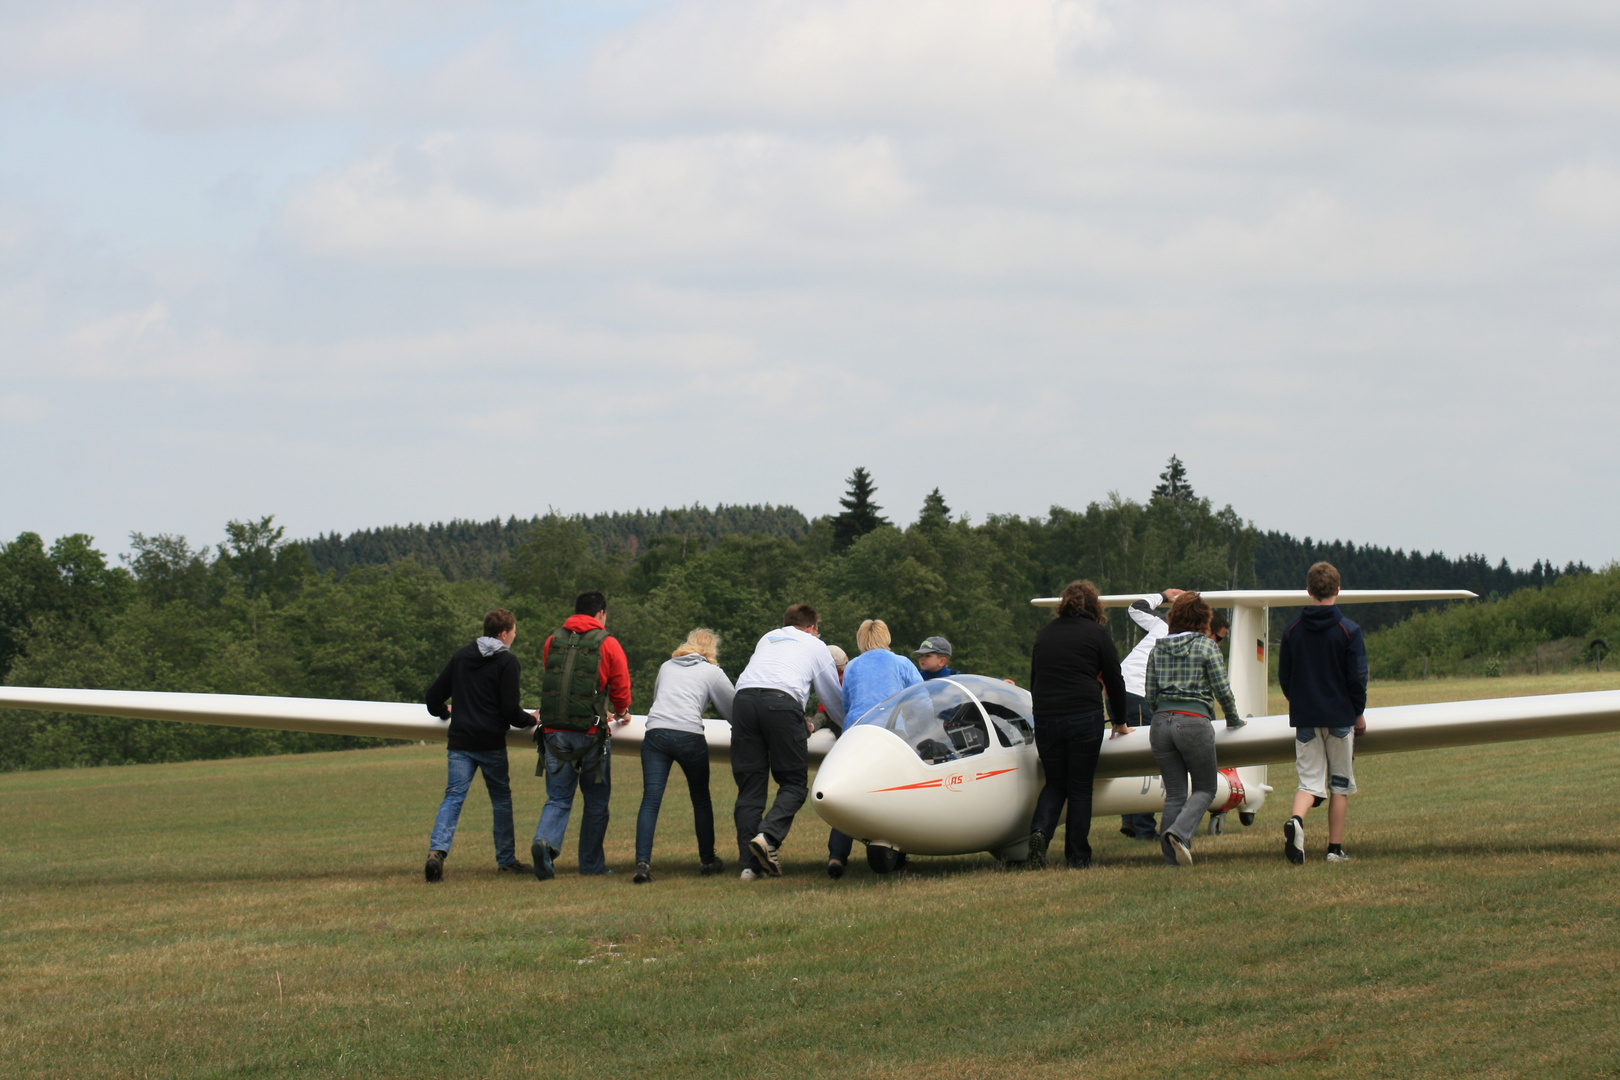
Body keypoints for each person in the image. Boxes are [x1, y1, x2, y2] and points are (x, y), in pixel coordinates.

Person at [731, 603, 846, 880]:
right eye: (818, 630)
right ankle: (768, 837)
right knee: (794, 783)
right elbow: (831, 698)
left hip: (743, 701)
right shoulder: (816, 645)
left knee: (750, 787)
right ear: (811, 627)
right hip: (781, 703)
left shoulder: (768, 637)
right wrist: (849, 725)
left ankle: (749, 866)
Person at [422, 608, 538, 882]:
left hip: (460, 740)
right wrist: (531, 720)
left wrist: (444, 712)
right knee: (500, 800)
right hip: (491, 743)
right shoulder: (507, 662)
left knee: (453, 797)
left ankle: (436, 852)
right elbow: (510, 711)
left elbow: (432, 697)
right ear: (503, 633)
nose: (514, 636)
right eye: (513, 631)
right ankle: (506, 860)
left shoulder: (462, 656)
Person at [1027, 580, 1129, 870]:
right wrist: (1120, 721)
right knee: (1081, 787)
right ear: (1095, 606)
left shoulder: (1044, 633)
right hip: (1084, 715)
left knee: (1055, 782)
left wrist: (1040, 715)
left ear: (1063, 604)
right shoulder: (1097, 633)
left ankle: (1040, 833)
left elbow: (1035, 679)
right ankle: (1078, 857)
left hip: (1046, 716)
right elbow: (1114, 679)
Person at [531, 591, 632, 881]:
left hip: (552, 731)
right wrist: (622, 711)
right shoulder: (608, 643)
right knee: (596, 800)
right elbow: (620, 686)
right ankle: (591, 864)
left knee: (559, 797)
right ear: (601, 613)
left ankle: (545, 843)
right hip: (590, 733)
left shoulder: (553, 640)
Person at [1144, 592, 1244, 868]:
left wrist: (1163, 714)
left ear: (1173, 618)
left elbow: (1150, 693)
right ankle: (1180, 833)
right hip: (1194, 721)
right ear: (1204, 621)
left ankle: (1170, 860)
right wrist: (1234, 719)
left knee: (1175, 793)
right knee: (1206, 788)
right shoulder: (1206, 647)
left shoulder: (1158, 648)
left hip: (1161, 723)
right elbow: (1222, 690)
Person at [1278, 562, 1368, 865]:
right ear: (1337, 590)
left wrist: (1300, 701)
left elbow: (1285, 677)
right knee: (1339, 785)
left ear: (1309, 591)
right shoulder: (1349, 630)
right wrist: (1358, 713)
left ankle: (1297, 820)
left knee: (1308, 782)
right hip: (1341, 717)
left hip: (1305, 717)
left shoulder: (1292, 631)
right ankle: (1334, 849)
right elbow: (1357, 678)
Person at [633, 628, 735, 884]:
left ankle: (643, 863)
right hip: (689, 735)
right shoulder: (712, 672)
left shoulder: (667, 666)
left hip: (655, 733)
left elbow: (658, 698)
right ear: (711, 650)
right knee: (700, 798)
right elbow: (733, 710)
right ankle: (707, 860)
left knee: (651, 799)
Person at [826, 619, 922, 879]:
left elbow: (847, 701)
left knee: (848, 793)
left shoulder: (854, 665)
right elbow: (922, 700)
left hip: (856, 732)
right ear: (886, 637)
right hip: (892, 733)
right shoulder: (902, 663)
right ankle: (898, 855)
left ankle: (837, 855)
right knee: (896, 793)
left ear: (861, 640)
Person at [1116, 589, 1184, 840]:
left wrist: (1163, 594)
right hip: (1137, 692)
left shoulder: (1160, 624)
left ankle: (1130, 818)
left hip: (1117, 691)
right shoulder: (1183, 638)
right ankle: (1144, 828)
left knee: (1127, 756)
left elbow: (1135, 607)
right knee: (1146, 760)